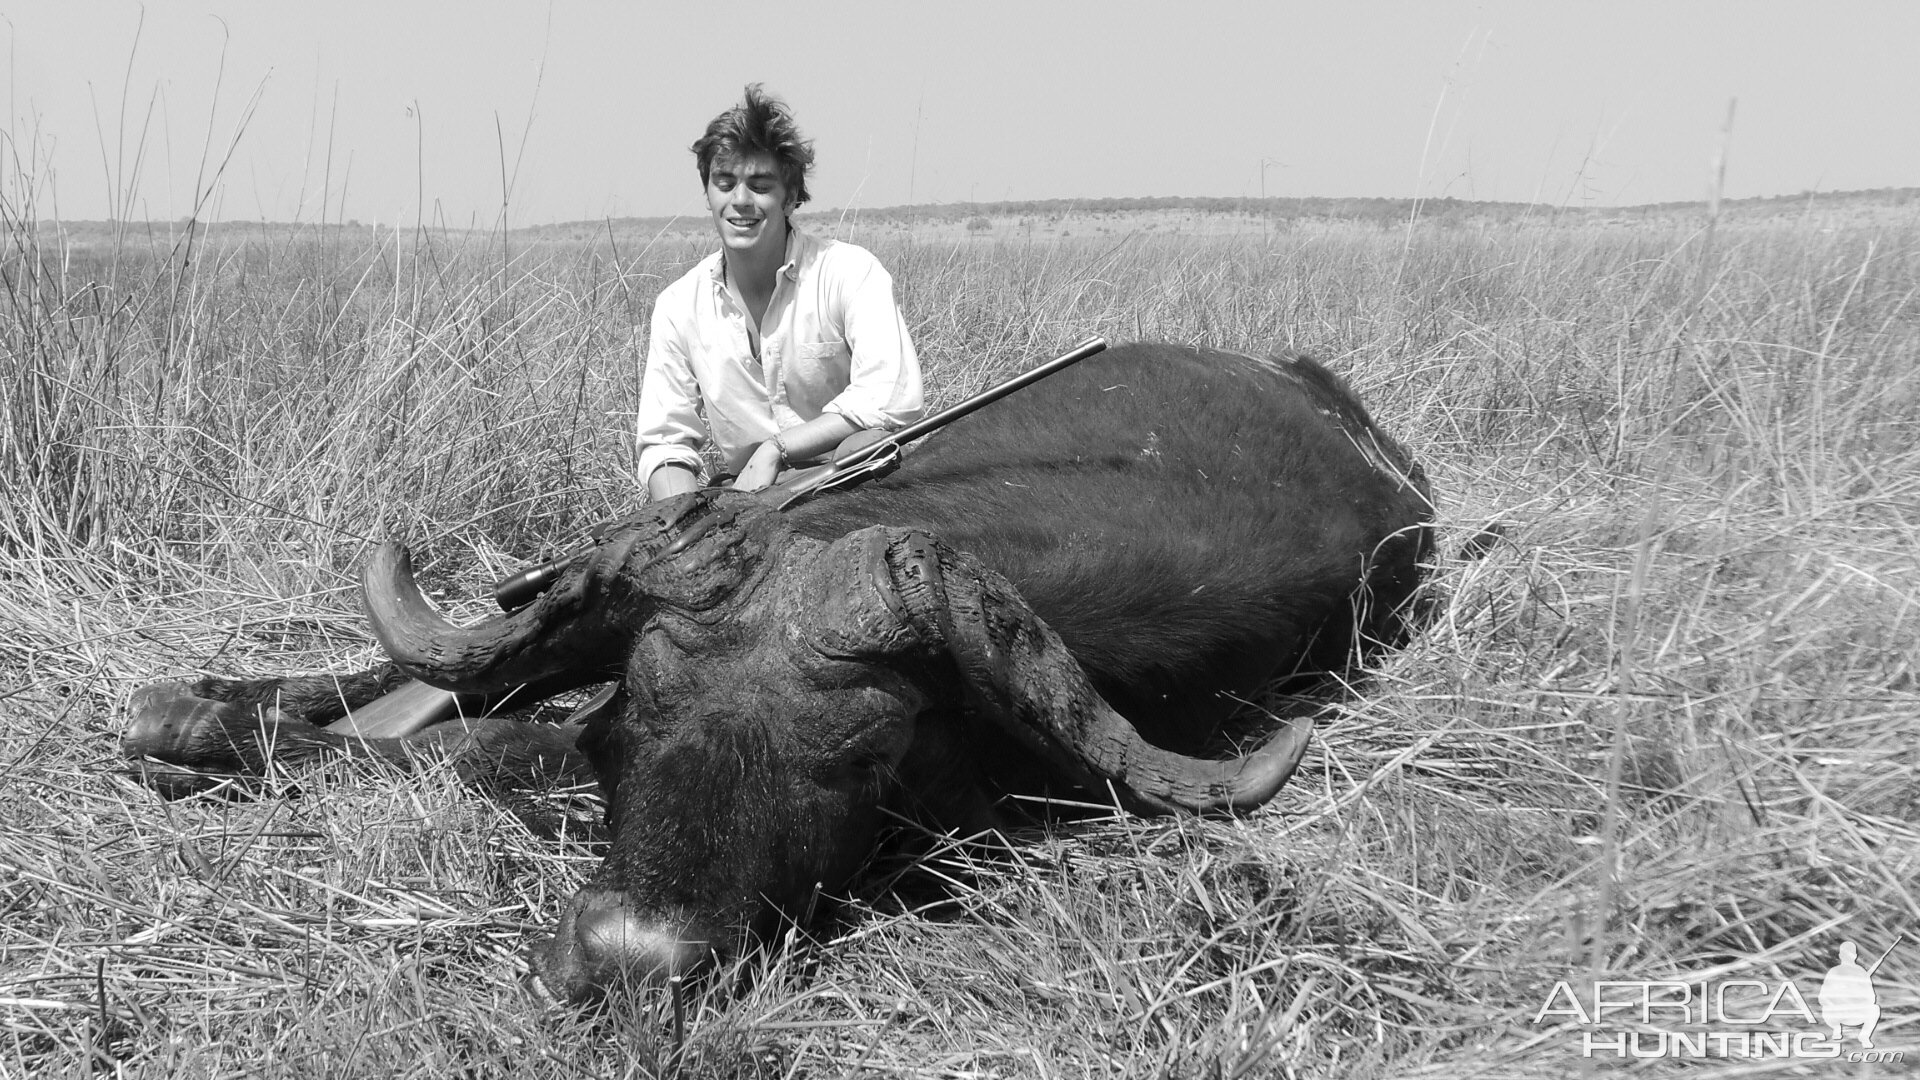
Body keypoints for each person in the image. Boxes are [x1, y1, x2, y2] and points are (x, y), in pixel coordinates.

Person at [637, 85, 924, 500]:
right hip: (746, 502)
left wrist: (779, 449)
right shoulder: (677, 308)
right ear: (708, 193)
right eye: (725, 182)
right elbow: (665, 442)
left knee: (870, 448)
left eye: (760, 185)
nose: (740, 200)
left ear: (790, 197)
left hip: (847, 487)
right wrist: (684, 524)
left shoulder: (850, 272)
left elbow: (892, 399)